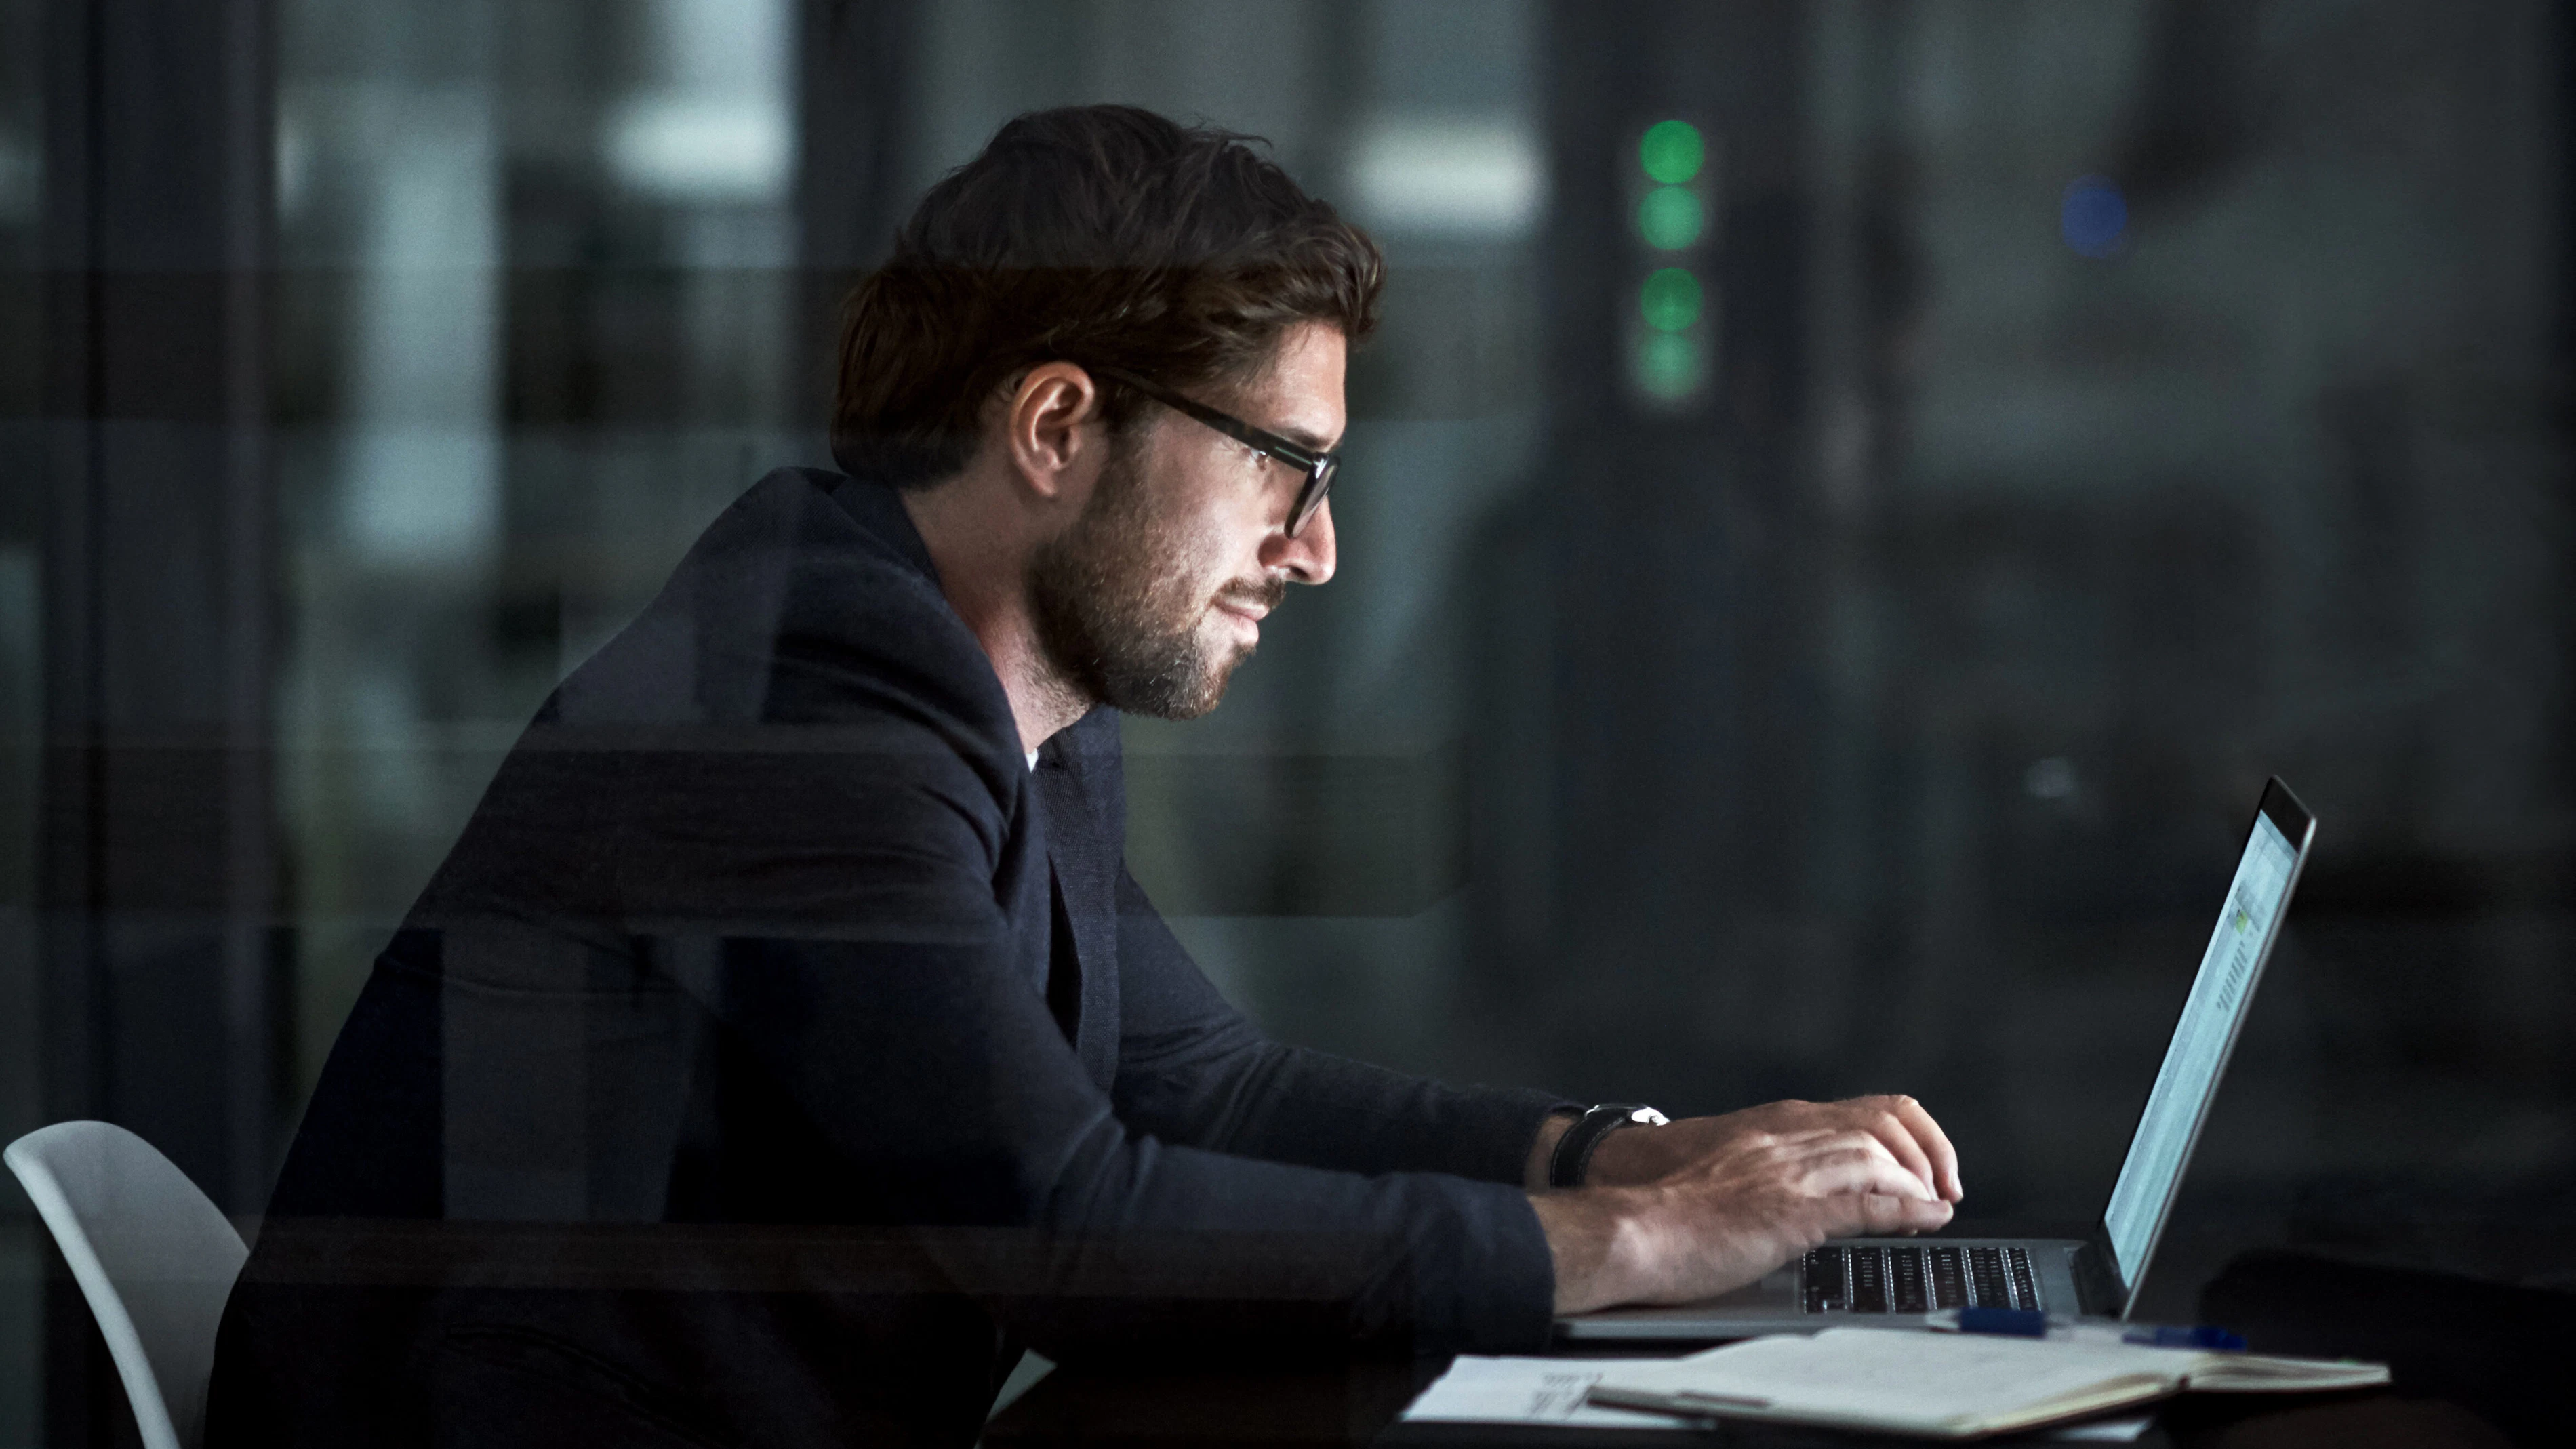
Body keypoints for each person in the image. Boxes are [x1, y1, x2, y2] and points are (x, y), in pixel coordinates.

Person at [206, 104, 1961, 1449]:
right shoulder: (798, 714)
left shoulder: (980, 684)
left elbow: (1209, 1091)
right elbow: (1071, 1229)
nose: (1321, 550)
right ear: (1057, 429)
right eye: (1288, 466)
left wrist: (1630, 1163)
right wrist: (1651, 1254)